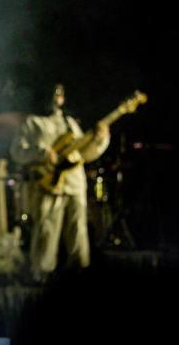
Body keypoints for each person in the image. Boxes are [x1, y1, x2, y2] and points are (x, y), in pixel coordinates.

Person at [10, 84, 109, 278]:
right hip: (48, 185)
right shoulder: (33, 123)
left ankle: (79, 271)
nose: (57, 99)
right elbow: (17, 151)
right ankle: (42, 274)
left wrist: (100, 140)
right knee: (47, 230)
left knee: (78, 230)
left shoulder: (70, 123)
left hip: (74, 184)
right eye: (54, 95)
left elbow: (85, 154)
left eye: (60, 95)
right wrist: (42, 154)